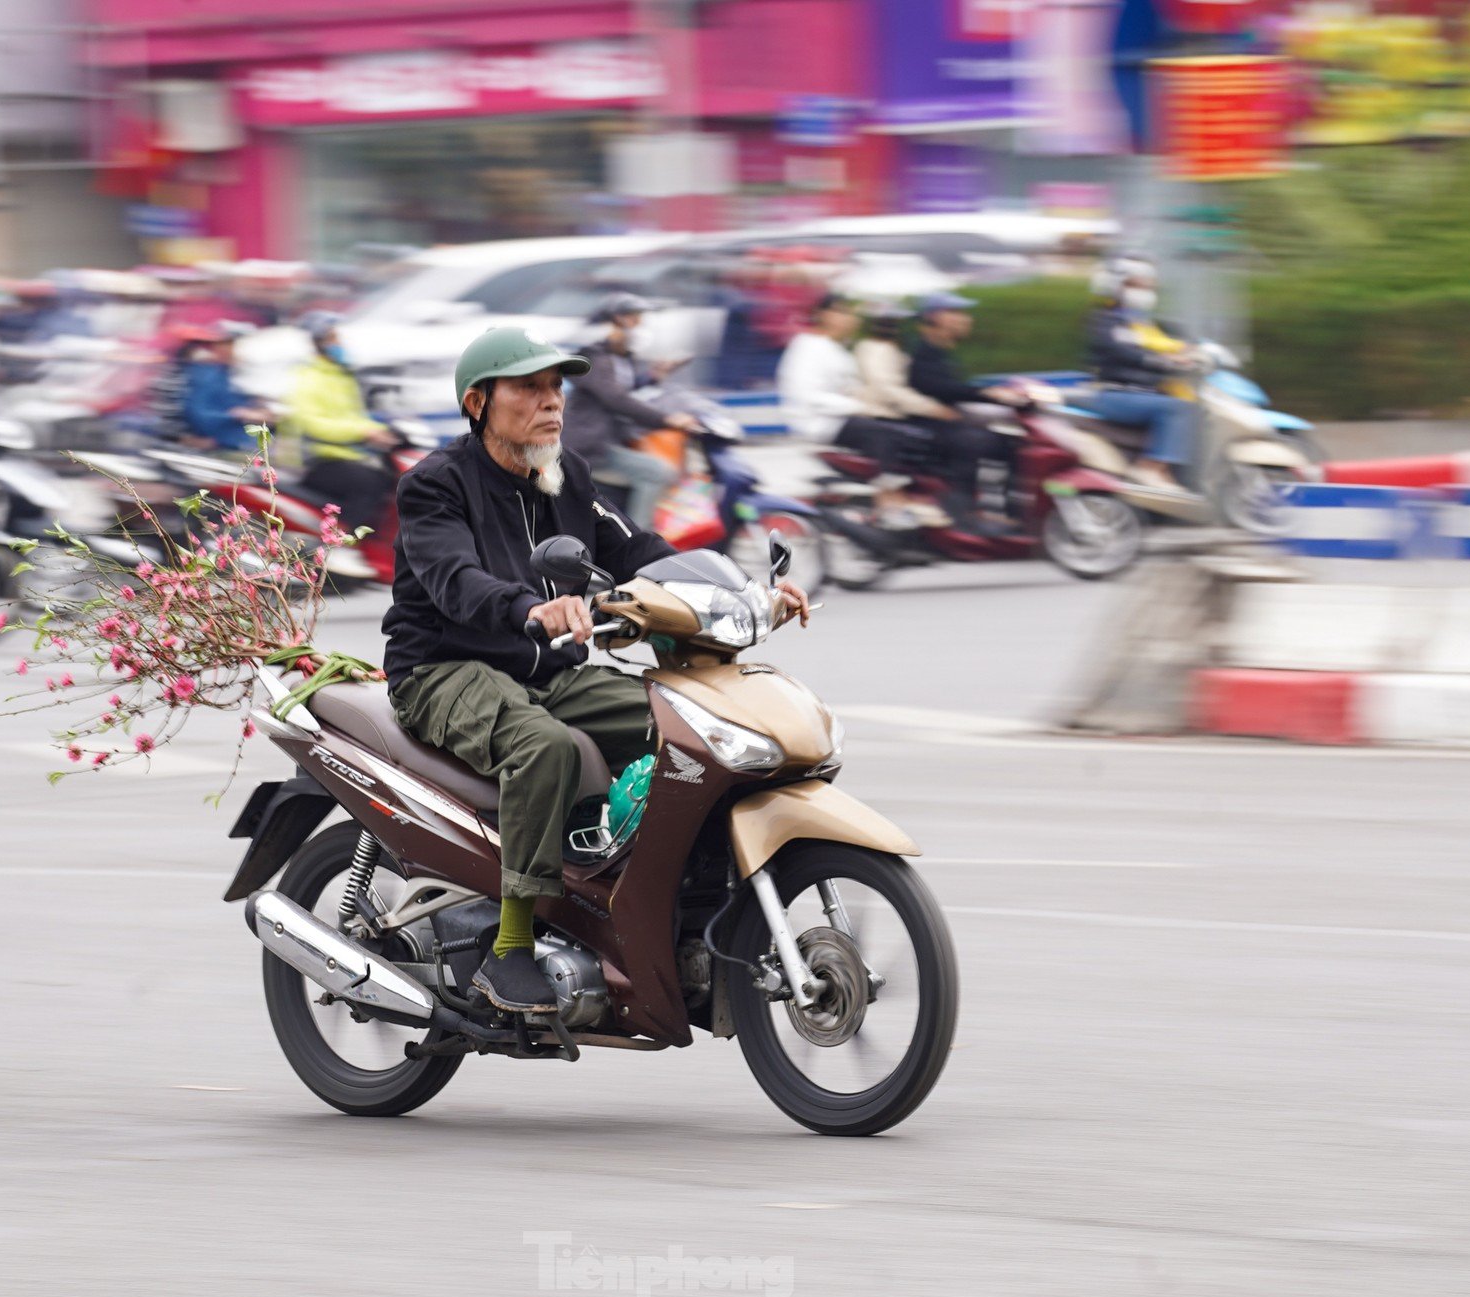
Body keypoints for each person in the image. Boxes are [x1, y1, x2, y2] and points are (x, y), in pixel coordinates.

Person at [383, 327, 809, 1011]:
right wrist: (531, 608)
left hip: (548, 670)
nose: (551, 402)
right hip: (445, 668)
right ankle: (511, 947)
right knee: (546, 748)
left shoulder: (564, 474)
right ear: (477, 402)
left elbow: (640, 548)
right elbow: (454, 580)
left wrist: (744, 594)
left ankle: (655, 903)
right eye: (529, 388)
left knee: (685, 726)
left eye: (557, 388)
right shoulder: (436, 485)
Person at [777, 295, 947, 529]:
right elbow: (807, 395)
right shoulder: (807, 347)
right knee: (883, 434)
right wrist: (858, 406)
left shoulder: (838, 349)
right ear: (823, 315)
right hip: (820, 422)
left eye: (851, 314)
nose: (850, 319)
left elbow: (852, 388)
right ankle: (887, 502)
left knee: (908, 433)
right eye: (843, 312)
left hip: (843, 416)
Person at [561, 293, 693, 530]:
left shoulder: (621, 358)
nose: (640, 325)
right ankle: (639, 540)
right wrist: (666, 419)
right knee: (657, 472)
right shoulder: (592, 357)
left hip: (609, 440)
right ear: (615, 322)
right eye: (634, 318)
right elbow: (615, 397)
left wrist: (653, 376)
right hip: (588, 445)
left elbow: (623, 389)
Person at [1080, 255, 1200, 491]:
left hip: (1142, 392)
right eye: (1136, 285)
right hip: (1114, 394)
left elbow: (1164, 342)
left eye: (1148, 286)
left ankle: (1169, 473)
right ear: (1114, 286)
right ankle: (1150, 468)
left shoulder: (1141, 322)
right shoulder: (1105, 321)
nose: (1145, 292)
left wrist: (1191, 350)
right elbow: (1125, 351)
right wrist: (1162, 361)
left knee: (1187, 403)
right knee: (1178, 408)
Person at [907, 293, 1024, 526]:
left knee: (1008, 442)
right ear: (935, 318)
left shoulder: (939, 352)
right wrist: (986, 394)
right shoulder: (923, 352)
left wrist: (993, 393)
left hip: (942, 420)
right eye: (956, 313)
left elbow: (953, 388)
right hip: (924, 422)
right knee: (978, 441)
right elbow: (936, 386)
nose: (965, 319)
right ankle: (960, 511)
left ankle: (1003, 510)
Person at [284, 310, 398, 532]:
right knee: (370, 482)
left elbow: (355, 418)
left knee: (392, 480)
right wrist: (364, 432)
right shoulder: (309, 378)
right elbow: (313, 423)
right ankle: (345, 542)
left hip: (346, 456)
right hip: (318, 461)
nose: (339, 343)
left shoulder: (341, 376)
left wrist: (384, 430)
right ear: (321, 343)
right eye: (334, 338)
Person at [179, 325, 272, 453]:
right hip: (219, 447)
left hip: (249, 445)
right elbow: (199, 415)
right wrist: (238, 414)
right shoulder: (206, 374)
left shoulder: (246, 375)